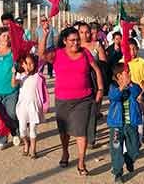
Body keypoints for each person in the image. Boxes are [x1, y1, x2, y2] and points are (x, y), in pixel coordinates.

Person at [38, 26, 104, 175]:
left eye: (77, 40)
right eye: (72, 40)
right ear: (64, 41)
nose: (76, 43)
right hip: (63, 100)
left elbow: (97, 69)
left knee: (81, 132)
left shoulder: (85, 53)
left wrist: (100, 88)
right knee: (64, 132)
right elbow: (41, 54)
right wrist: (45, 34)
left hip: (83, 99)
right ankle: (65, 152)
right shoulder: (57, 54)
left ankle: (81, 162)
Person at [107, 63, 144, 183]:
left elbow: (137, 92)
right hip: (117, 125)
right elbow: (114, 96)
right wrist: (122, 87)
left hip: (131, 123)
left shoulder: (133, 86)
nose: (129, 74)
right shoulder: (113, 87)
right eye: (126, 72)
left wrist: (130, 84)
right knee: (116, 149)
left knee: (135, 147)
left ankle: (129, 159)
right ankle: (117, 172)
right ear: (119, 76)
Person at [12, 54, 47, 158]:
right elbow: (13, 84)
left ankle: (33, 150)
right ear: (22, 65)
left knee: (33, 128)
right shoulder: (21, 76)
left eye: (31, 63)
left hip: (34, 105)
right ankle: (26, 143)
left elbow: (42, 58)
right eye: (26, 64)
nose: (29, 65)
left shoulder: (38, 75)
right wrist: (13, 73)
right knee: (22, 129)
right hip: (23, 106)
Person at [79, 23, 107, 148]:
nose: (85, 35)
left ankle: (90, 138)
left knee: (93, 110)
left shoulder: (96, 45)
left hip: (94, 81)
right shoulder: (75, 45)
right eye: (82, 32)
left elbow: (103, 63)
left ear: (91, 33)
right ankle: (81, 133)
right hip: (78, 82)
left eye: (87, 32)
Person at [126, 38, 144, 125]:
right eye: (129, 49)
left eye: (134, 49)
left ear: (137, 49)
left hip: (139, 95)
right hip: (127, 97)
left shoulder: (142, 63)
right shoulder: (122, 63)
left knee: (140, 121)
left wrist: (141, 93)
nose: (132, 52)